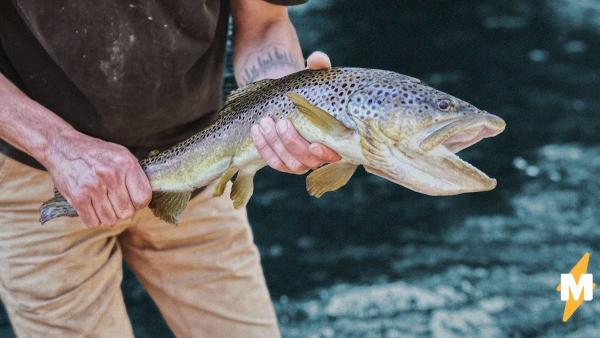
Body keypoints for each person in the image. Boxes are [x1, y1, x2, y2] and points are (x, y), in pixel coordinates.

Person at [0, 0, 340, 336]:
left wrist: (283, 106)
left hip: (199, 162)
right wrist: (56, 145)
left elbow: (264, 23)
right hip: (41, 170)